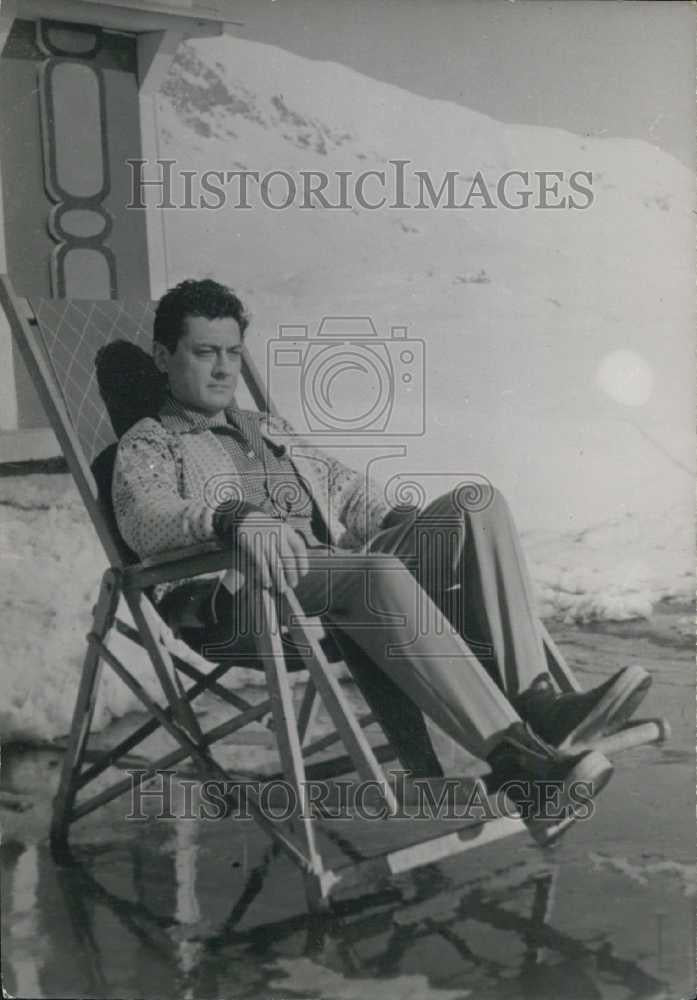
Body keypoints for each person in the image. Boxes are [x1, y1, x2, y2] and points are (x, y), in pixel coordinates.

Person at [112, 279, 651, 839]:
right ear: (163, 357)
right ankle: (515, 763)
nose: (224, 369)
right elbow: (145, 518)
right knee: (375, 573)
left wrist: (401, 522)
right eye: (205, 353)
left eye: (231, 353)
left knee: (476, 507)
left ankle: (538, 703)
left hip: (331, 578)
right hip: (239, 601)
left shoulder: (263, 428)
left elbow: (342, 487)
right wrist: (232, 518)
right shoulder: (151, 443)